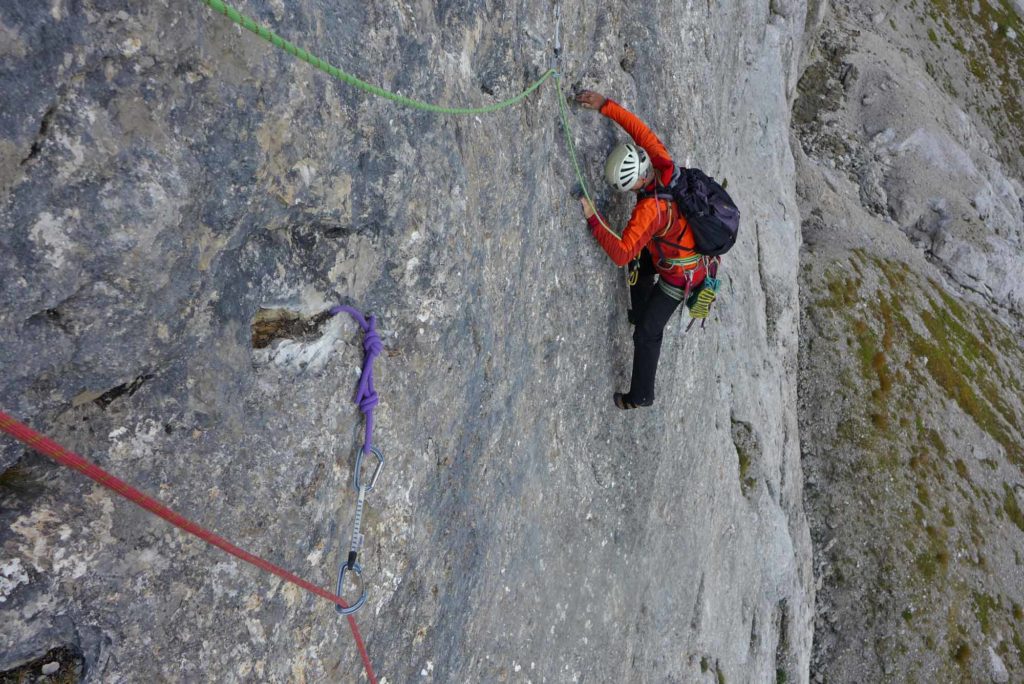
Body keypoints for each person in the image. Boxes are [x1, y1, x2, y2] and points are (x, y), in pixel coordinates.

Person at [575, 89, 714, 410]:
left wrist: (594, 220)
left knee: (647, 334)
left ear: (631, 183)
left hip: (681, 278)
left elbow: (620, 253)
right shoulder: (663, 164)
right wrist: (604, 105)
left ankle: (640, 396)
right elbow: (640, 130)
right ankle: (638, 310)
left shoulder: (649, 211)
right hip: (686, 253)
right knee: (640, 258)